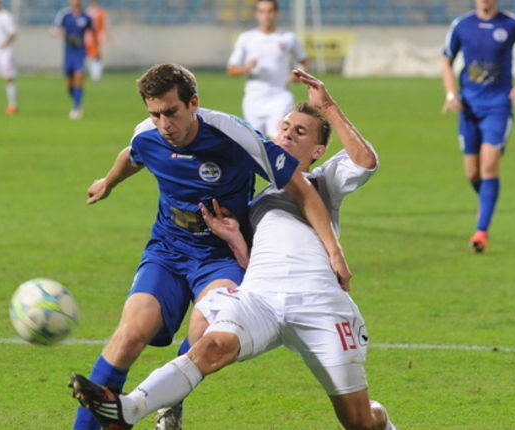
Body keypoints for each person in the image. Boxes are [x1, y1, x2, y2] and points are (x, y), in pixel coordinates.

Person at [70, 69, 395, 430]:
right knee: (201, 340)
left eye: (300, 131)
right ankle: (131, 409)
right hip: (258, 298)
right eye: (285, 126)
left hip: (318, 303)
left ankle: (382, 422)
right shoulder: (255, 203)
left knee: (359, 423)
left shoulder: (323, 181)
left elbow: (360, 164)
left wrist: (335, 252)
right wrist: (235, 236)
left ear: (319, 151)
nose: (287, 132)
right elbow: (133, 153)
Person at [440, 0, 515, 253]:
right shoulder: (461, 25)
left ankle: (481, 231)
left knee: (488, 166)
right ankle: (485, 202)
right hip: (468, 108)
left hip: (498, 106)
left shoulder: (513, 24)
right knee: (472, 173)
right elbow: (446, 60)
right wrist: (451, 94)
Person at [227, 0, 309, 140]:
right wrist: (246, 68)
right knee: (257, 141)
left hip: (280, 96)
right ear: (256, 14)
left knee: (278, 138)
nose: (266, 15)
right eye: (262, 11)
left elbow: (304, 61)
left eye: (270, 11)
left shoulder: (287, 38)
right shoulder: (246, 38)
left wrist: (297, 74)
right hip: (254, 98)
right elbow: (231, 70)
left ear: (277, 13)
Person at [52, 0, 95, 120]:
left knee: (79, 76)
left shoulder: (86, 17)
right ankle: (76, 99)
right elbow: (54, 30)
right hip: (68, 52)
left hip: (80, 52)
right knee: (69, 83)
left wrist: (94, 49)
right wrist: (59, 32)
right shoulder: (64, 15)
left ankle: (77, 107)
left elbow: (93, 31)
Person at [85, 0, 108, 83]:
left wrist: (105, 35)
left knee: (96, 56)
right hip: (89, 37)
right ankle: (94, 75)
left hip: (98, 37)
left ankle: (96, 76)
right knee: (91, 56)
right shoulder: (87, 12)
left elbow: (105, 24)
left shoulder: (101, 12)